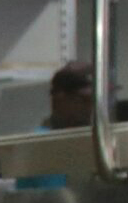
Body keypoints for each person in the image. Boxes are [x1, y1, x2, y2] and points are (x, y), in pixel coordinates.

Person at [12, 60, 94, 190]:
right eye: (84, 100)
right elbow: (57, 202)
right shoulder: (43, 144)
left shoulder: (82, 138)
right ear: (60, 100)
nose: (90, 108)